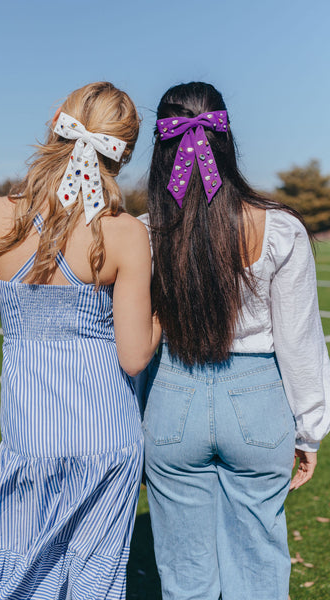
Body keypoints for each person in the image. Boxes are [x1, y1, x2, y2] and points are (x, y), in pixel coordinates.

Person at [0, 81, 161, 600]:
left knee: (13, 579)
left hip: (31, 439)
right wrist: (169, 310)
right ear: (122, 152)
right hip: (109, 440)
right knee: (92, 582)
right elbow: (135, 357)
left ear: (56, 127)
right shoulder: (128, 233)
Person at [142, 81, 330, 600]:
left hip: (173, 398)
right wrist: (310, 430)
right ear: (225, 138)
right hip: (259, 400)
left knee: (184, 578)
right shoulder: (280, 229)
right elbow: (300, 341)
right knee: (260, 571)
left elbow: (135, 345)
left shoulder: (146, 232)